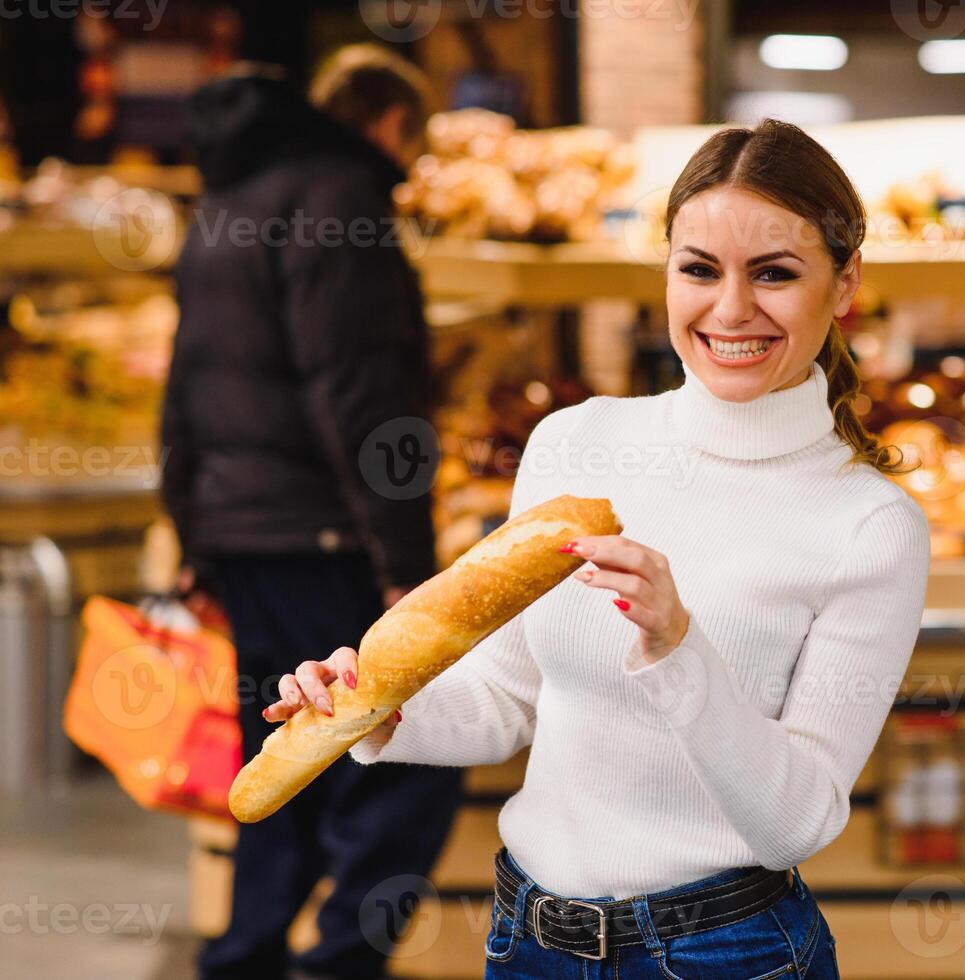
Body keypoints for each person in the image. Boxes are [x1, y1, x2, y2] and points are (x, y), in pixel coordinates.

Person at [266, 118, 931, 978]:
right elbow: (508, 696)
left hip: (726, 955)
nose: (730, 309)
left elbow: (798, 821)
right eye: (699, 269)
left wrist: (676, 648)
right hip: (529, 942)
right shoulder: (576, 446)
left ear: (845, 286)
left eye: (774, 273)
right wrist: (380, 710)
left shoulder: (868, 524)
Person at [161, 45, 463, 980]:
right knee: (411, 748)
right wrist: (407, 558)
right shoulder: (340, 200)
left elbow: (182, 388)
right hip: (323, 532)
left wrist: (193, 531)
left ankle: (246, 955)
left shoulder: (229, 196)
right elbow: (363, 395)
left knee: (283, 757)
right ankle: (340, 963)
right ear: (385, 123)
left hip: (243, 531)